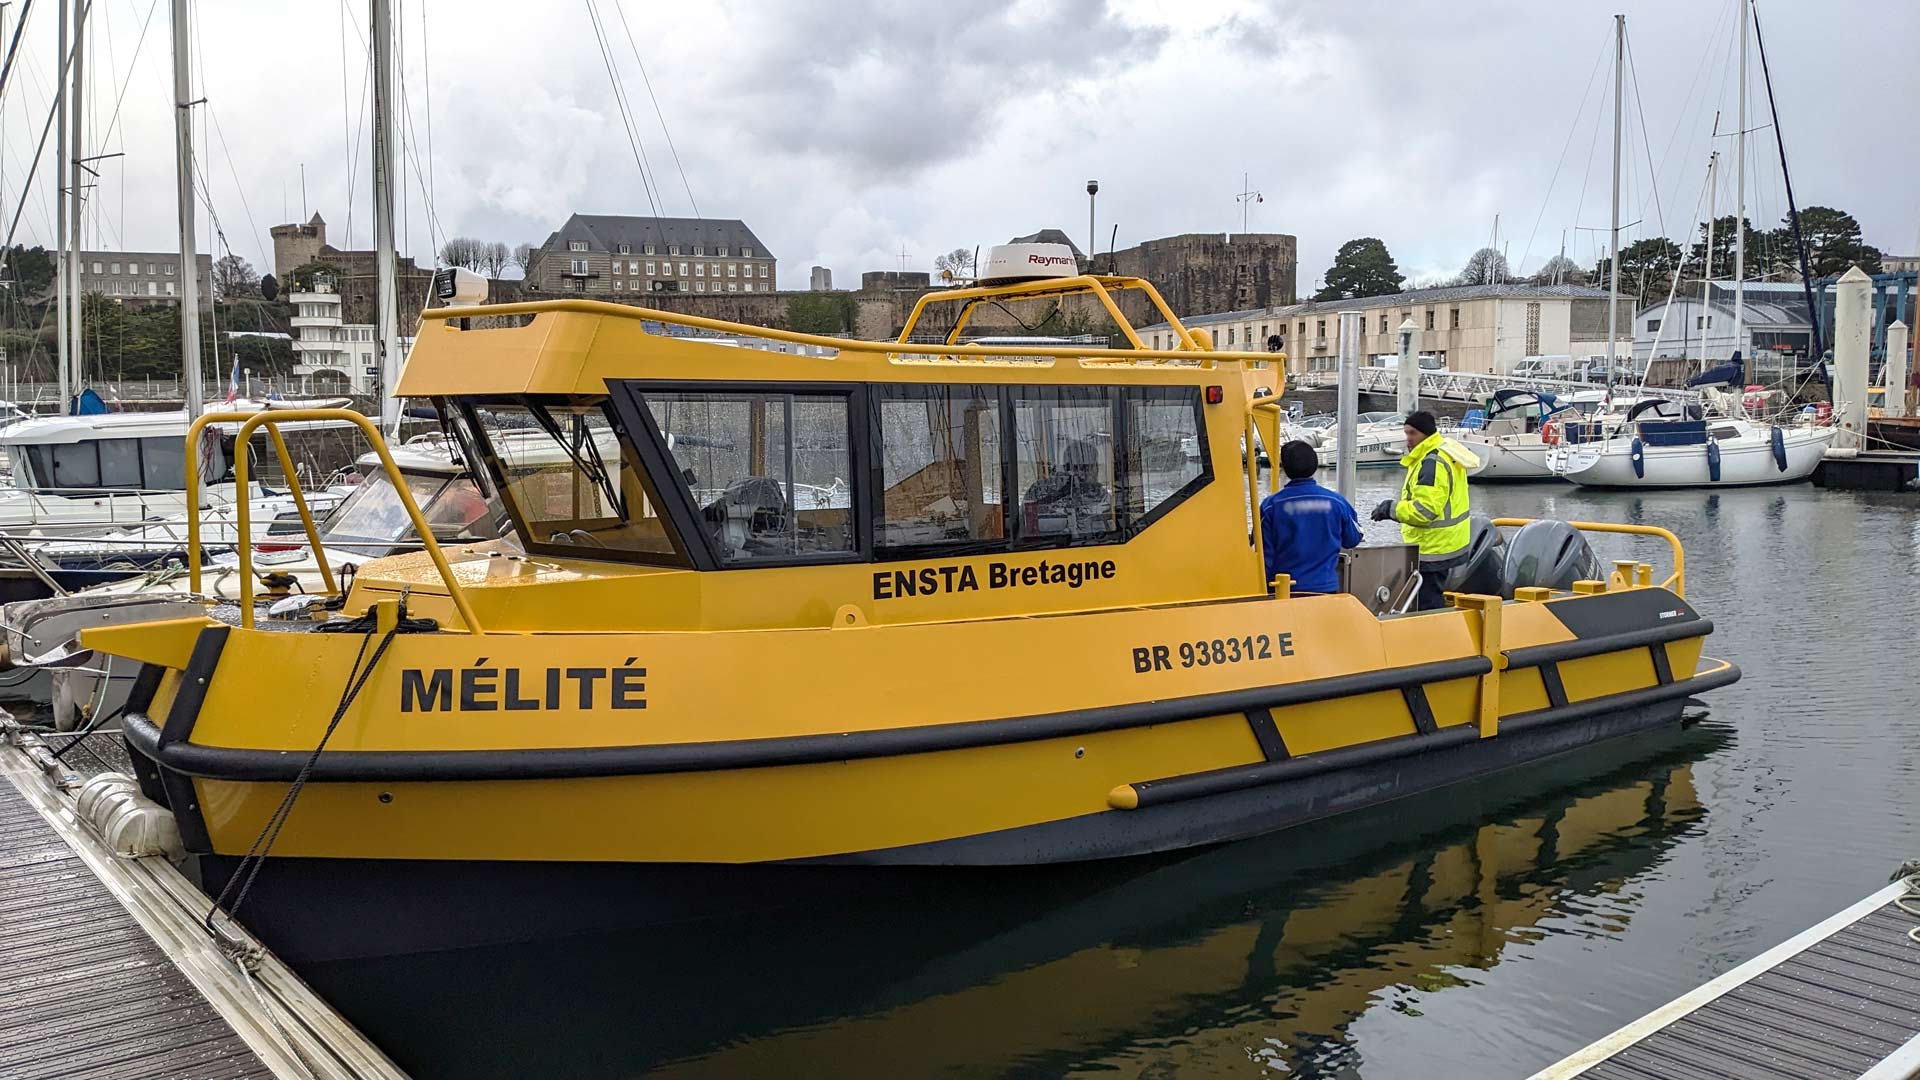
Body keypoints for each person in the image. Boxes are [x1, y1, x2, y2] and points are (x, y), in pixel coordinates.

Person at [1371, 410, 1478, 610]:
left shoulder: (1431, 463)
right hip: (1445, 542)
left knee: (1427, 601)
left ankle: (1432, 638)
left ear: (1426, 434)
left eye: (1413, 434)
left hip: (1432, 546)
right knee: (1429, 596)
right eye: (1406, 433)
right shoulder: (1442, 453)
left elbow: (1424, 511)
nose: (1408, 439)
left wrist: (1390, 509)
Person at [1260, 440, 1361, 594]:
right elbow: (1353, 538)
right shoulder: (1337, 502)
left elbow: (1262, 554)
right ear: (1314, 464)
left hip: (1283, 592)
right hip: (1325, 589)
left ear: (1285, 468)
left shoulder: (1271, 506)